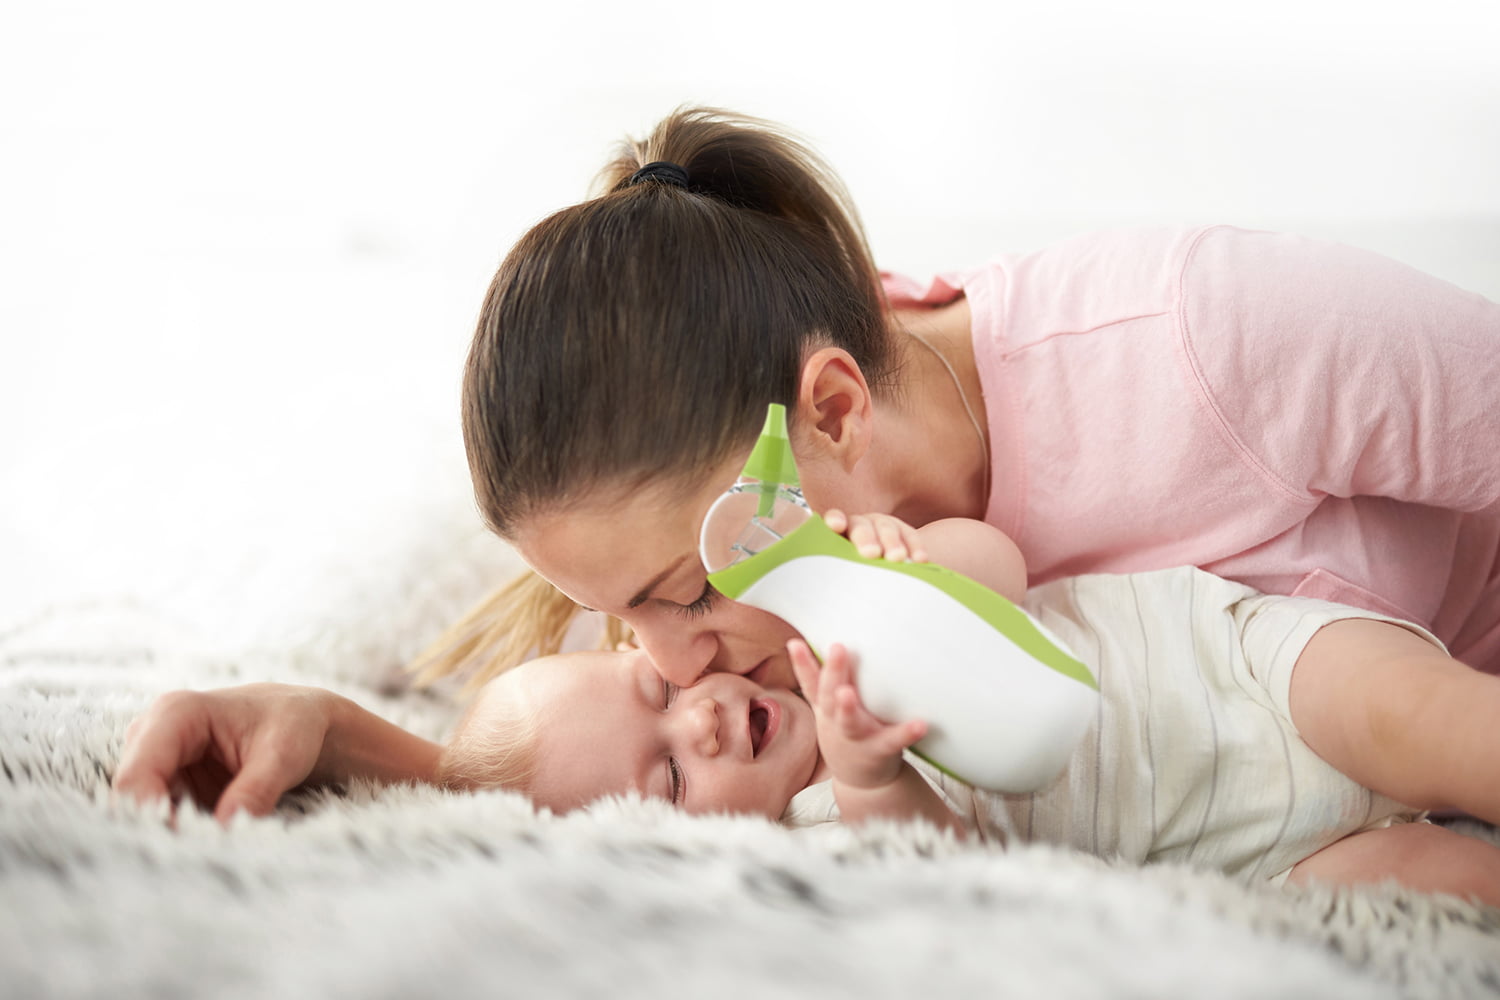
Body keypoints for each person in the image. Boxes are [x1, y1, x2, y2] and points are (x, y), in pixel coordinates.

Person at [114, 105, 1500, 820]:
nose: (670, 665)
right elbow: (594, 760)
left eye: (683, 592)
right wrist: (347, 735)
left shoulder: (1204, 340)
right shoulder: (745, 607)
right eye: (629, 619)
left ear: (830, 409)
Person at [438, 513, 1500, 906]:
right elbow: (949, 875)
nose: (701, 721)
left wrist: (904, 558)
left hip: (1238, 670)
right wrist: (869, 777)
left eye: (660, 693)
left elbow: (1003, 568)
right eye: (669, 776)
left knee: (1439, 731)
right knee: (1439, 889)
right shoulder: (814, 845)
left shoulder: (803, 639)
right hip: (1250, 858)